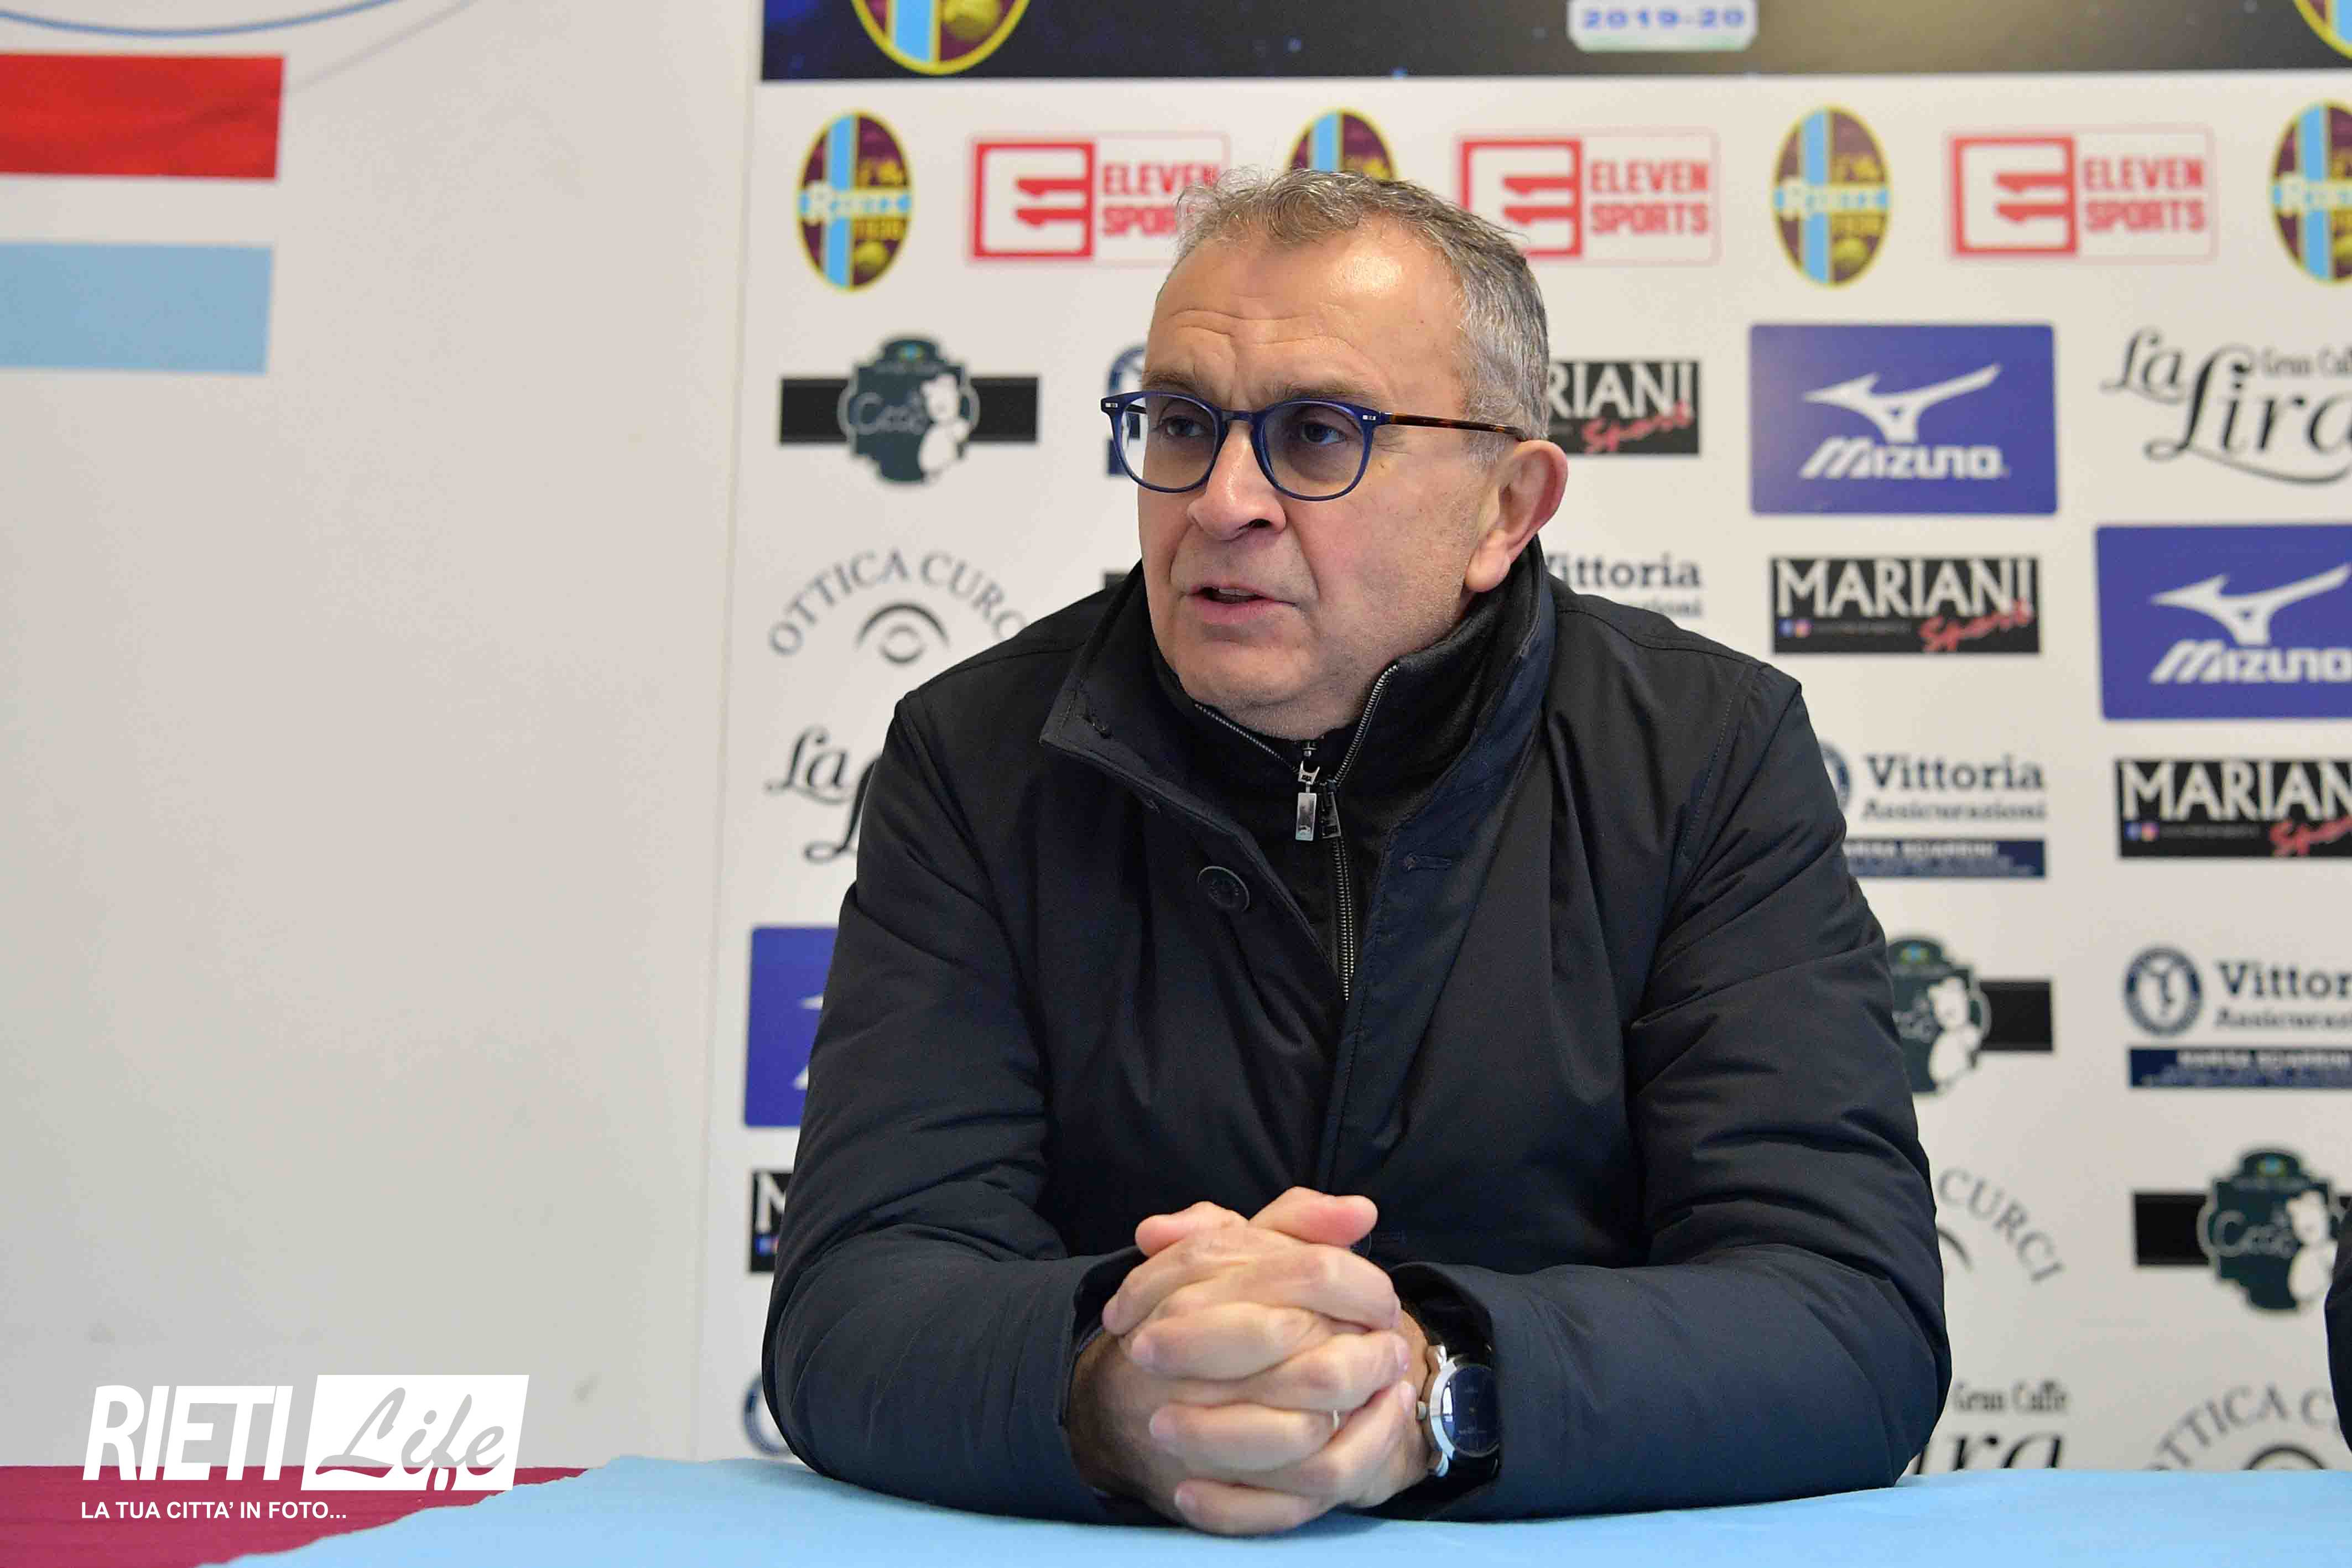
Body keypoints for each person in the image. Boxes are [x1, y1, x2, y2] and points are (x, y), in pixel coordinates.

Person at [761, 169, 1947, 1535]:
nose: (1224, 499)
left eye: (1317, 434)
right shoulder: (975, 756)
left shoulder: (1704, 754)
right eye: (1181, 424)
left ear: (1504, 507)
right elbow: (855, 1299)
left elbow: (1847, 1315)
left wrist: (1432, 1387)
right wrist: (1110, 1386)